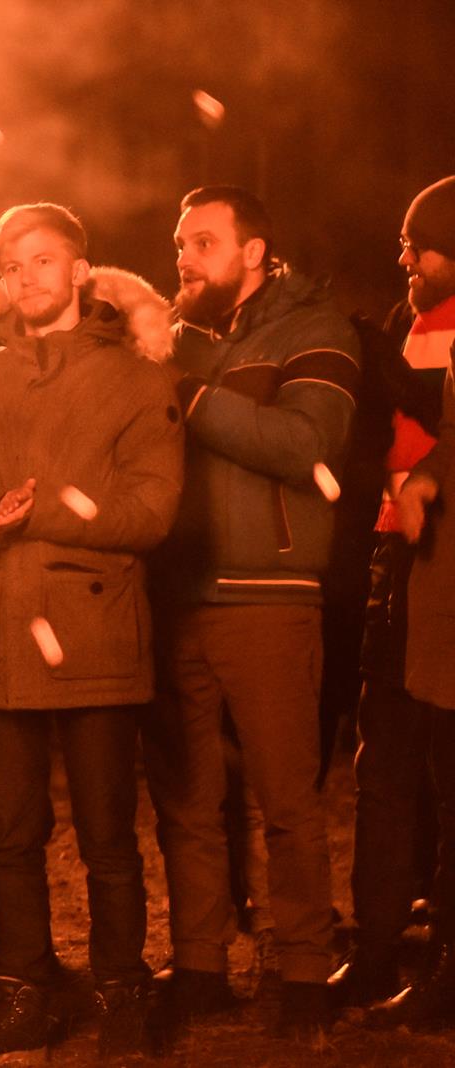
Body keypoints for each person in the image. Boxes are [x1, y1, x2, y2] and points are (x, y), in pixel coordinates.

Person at [0, 202, 181, 1057]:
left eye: (42, 259)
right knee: (11, 834)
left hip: (94, 627)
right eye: (11, 264)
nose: (26, 276)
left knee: (108, 834)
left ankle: (121, 991)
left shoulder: (136, 380)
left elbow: (152, 511)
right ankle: (22, 987)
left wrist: (47, 514)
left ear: (79, 270)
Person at [143, 185, 360, 1041]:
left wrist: (189, 395)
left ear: (255, 251)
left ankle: (303, 968)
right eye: (180, 244)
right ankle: (201, 963)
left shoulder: (316, 329)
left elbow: (306, 443)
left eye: (203, 241)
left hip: (269, 595)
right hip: (179, 595)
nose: (185, 258)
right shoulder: (179, 338)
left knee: (286, 800)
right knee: (188, 800)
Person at [327, 177, 453, 1012]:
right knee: (382, 763)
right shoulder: (417, 323)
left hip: (444, 566)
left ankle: (440, 959)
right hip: (397, 560)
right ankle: (374, 949)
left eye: (421, 244)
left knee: (440, 773)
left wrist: (408, 407)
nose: (405, 256)